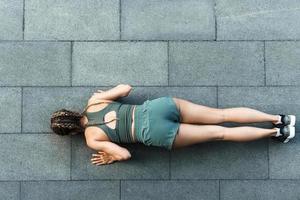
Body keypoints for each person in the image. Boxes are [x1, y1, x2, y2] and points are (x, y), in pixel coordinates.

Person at [50, 84, 296, 165]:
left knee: (221, 134)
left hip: (156, 132)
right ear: (70, 112)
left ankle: (277, 132)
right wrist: (107, 93)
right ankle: (278, 117)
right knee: (222, 114)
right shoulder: (93, 102)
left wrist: (110, 157)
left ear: (70, 132)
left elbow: (125, 154)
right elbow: (126, 88)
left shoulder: (92, 138)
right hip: (157, 108)